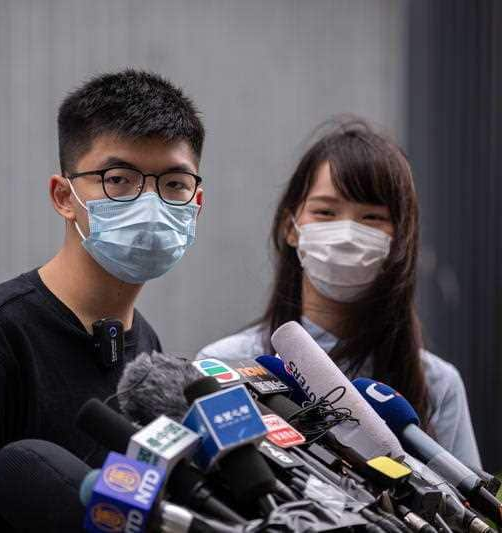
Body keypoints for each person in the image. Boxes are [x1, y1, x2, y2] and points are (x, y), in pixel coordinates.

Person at [0, 69, 205, 532]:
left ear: (196, 203)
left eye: (173, 184)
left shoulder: (147, 347)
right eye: (118, 179)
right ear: (63, 196)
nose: (150, 202)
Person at [199, 118, 481, 469]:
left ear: (398, 239)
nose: (346, 233)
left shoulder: (437, 384)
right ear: (291, 227)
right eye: (325, 212)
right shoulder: (228, 364)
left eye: (371, 217)